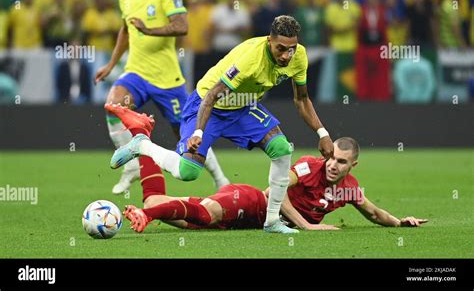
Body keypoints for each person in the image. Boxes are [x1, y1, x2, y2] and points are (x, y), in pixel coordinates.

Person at [108, 15, 334, 235]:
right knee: (187, 172)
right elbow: (212, 96)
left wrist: (322, 133)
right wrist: (198, 132)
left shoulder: (299, 57)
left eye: (291, 48)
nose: (286, 55)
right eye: (281, 48)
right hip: (207, 105)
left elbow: (302, 99)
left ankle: (272, 220)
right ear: (269, 40)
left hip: (242, 106)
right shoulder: (250, 60)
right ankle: (142, 145)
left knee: (282, 148)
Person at [105, 106, 426, 232]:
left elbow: (372, 212)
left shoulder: (348, 187)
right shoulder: (309, 167)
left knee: (161, 206)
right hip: (252, 203)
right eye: (332, 158)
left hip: (251, 223)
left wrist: (400, 222)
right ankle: (145, 213)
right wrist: (308, 226)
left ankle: (141, 135)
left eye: (341, 163)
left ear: (352, 166)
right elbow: (276, 190)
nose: (333, 165)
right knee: (201, 215)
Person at [94, 0, 229, 194]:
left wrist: (149, 30)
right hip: (136, 73)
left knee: (188, 135)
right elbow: (126, 30)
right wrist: (112, 64)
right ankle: (133, 165)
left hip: (168, 81)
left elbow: (182, 26)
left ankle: (220, 179)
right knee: (114, 105)